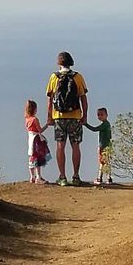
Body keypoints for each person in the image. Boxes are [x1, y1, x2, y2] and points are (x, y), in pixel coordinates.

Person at [45, 51, 88, 186]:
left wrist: (49, 117)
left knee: (60, 146)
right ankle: (75, 176)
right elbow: (83, 98)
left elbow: (50, 99)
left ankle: (62, 177)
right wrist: (84, 116)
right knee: (75, 146)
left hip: (59, 116)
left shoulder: (54, 77)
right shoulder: (78, 77)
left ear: (59, 63)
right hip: (75, 116)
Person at [25, 99, 50, 184]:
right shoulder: (35, 119)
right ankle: (38, 177)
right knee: (38, 157)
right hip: (36, 139)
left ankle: (32, 176)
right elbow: (40, 130)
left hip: (30, 138)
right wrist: (47, 125)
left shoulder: (27, 119)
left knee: (31, 156)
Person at [90, 105, 113, 186]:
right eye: (98, 115)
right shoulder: (107, 124)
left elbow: (94, 129)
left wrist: (85, 124)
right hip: (107, 145)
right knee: (106, 162)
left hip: (103, 146)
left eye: (101, 114)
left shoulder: (104, 124)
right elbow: (110, 136)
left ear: (106, 115)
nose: (100, 116)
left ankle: (100, 178)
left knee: (102, 162)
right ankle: (109, 178)